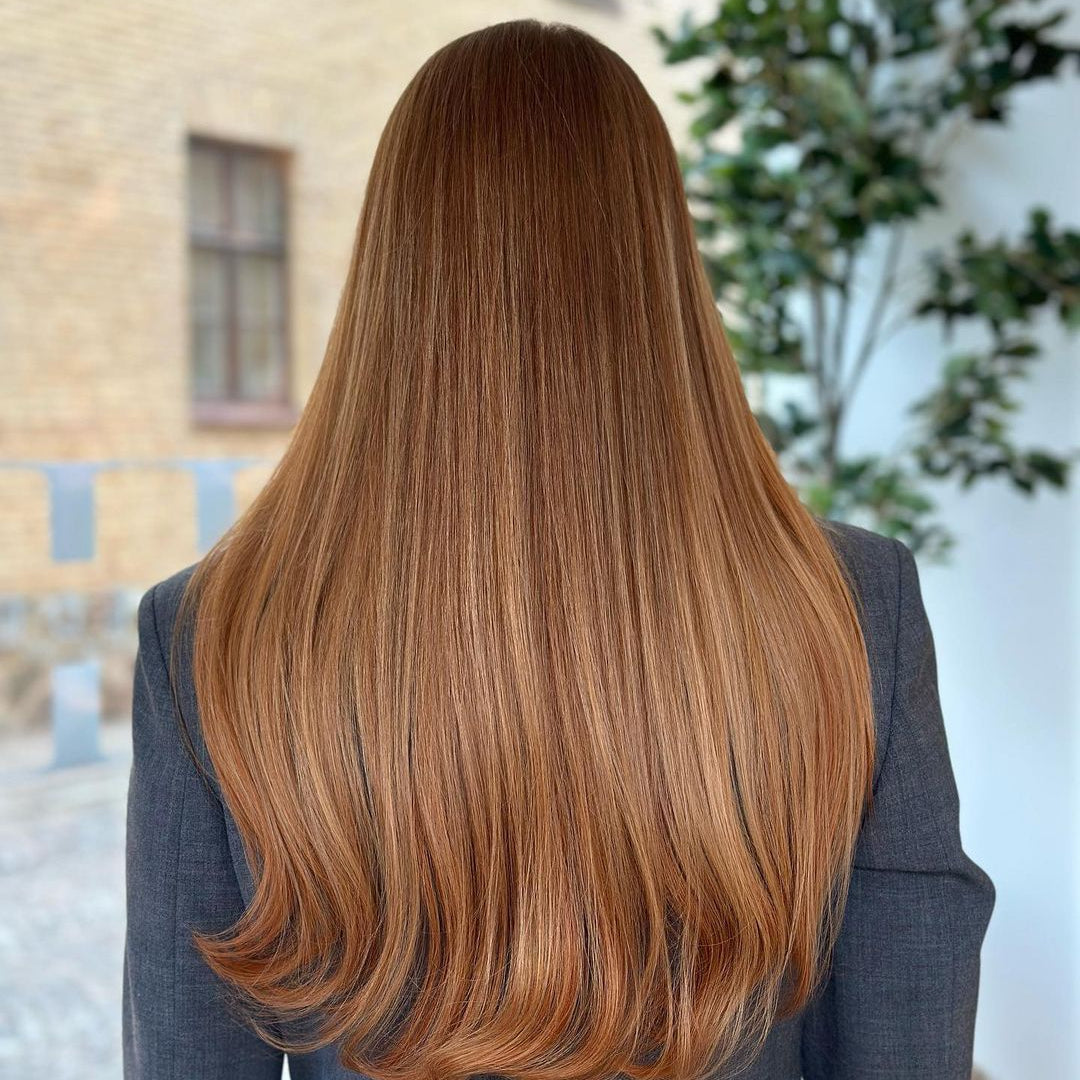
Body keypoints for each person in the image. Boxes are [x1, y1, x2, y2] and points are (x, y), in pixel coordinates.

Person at [123, 18, 995, 1080]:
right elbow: (909, 1041)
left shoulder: (215, 635)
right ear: (662, 262)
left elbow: (184, 1059)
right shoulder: (852, 605)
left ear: (393, 266)